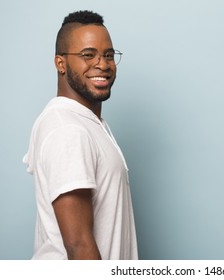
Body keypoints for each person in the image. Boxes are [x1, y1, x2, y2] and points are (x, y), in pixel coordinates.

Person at [23, 10, 138, 260]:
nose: (103, 64)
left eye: (109, 55)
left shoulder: (86, 123)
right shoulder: (68, 129)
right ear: (60, 63)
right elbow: (78, 245)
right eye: (88, 55)